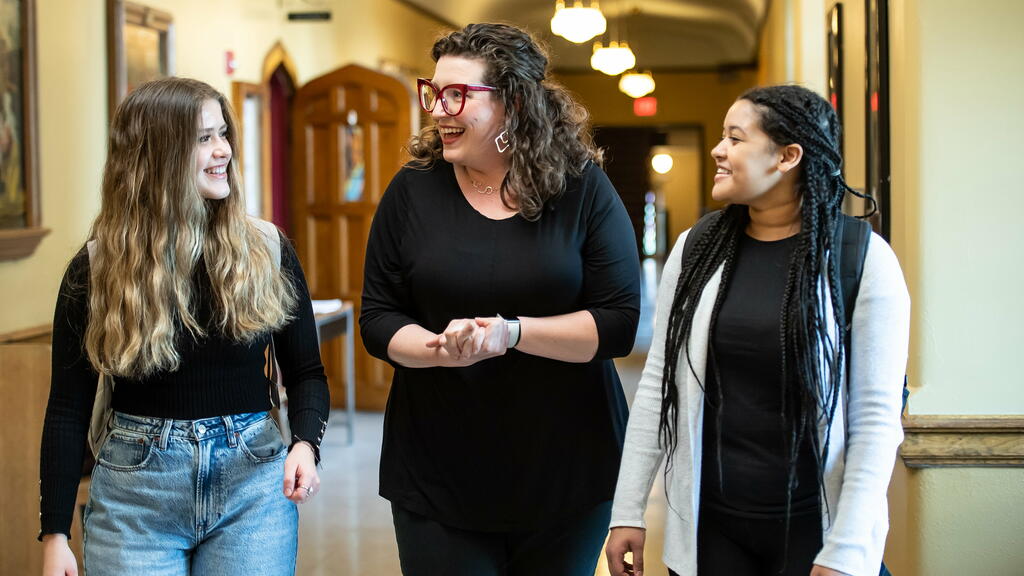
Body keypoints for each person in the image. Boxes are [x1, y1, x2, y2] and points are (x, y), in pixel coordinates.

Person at [359, 22, 641, 576]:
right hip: (438, 468)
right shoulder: (413, 189)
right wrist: (441, 348)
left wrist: (512, 333)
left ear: (513, 102)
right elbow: (378, 315)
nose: (439, 109)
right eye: (434, 92)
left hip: (566, 467)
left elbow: (618, 323)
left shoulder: (581, 187)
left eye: (458, 94)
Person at [606, 85, 910, 576]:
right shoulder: (697, 249)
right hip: (713, 530)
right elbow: (661, 384)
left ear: (788, 156)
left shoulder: (860, 259)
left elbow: (875, 420)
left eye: (736, 138)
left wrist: (848, 550)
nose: (718, 150)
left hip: (818, 529)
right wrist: (628, 510)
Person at [39, 77, 330, 576]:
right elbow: (68, 408)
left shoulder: (266, 249)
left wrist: (305, 444)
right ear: (155, 157)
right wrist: (55, 534)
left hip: (253, 483)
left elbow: (306, 372)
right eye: (203, 139)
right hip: (136, 498)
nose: (224, 152)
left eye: (223, 134)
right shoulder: (97, 268)